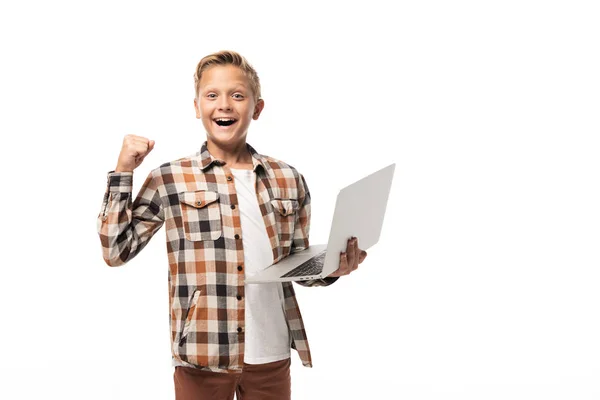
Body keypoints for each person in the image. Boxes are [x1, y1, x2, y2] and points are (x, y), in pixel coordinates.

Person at [97, 50, 367, 400]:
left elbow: (296, 264)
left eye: (237, 95)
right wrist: (123, 172)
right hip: (202, 353)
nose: (224, 105)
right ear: (197, 107)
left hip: (271, 353)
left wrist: (334, 266)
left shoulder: (288, 178)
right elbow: (115, 251)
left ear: (257, 108)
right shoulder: (169, 178)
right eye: (212, 95)